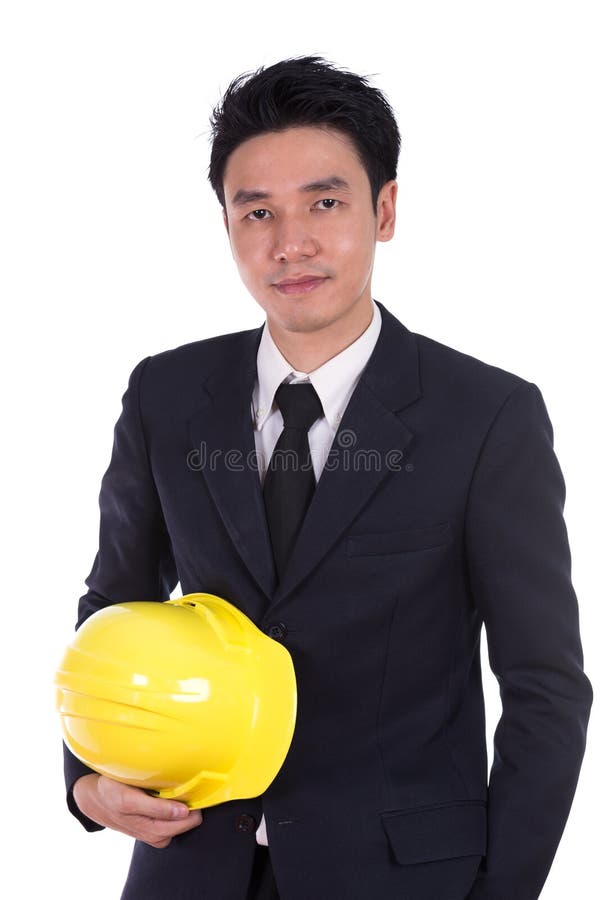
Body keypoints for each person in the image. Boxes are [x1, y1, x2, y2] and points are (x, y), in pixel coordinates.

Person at [64, 56, 592, 900]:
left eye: (325, 202)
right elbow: (113, 607)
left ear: (384, 210)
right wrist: (88, 780)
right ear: (228, 226)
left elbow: (545, 688)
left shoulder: (486, 416)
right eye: (257, 212)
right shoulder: (166, 394)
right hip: (190, 866)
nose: (290, 243)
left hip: (406, 878)